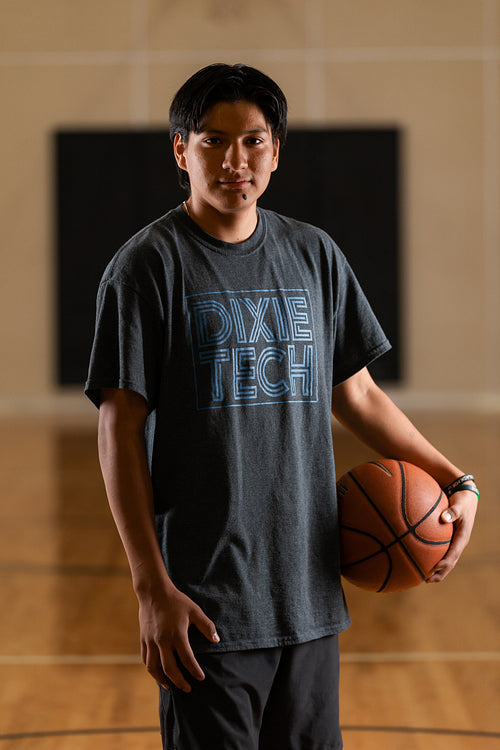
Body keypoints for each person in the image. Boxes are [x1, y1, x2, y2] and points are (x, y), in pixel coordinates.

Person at [85, 63, 478, 750]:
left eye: (254, 141)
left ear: (276, 151)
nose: (236, 160)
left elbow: (355, 394)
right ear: (181, 150)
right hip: (205, 607)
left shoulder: (312, 254)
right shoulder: (147, 267)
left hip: (310, 599)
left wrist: (454, 478)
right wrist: (151, 588)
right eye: (214, 141)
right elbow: (119, 430)